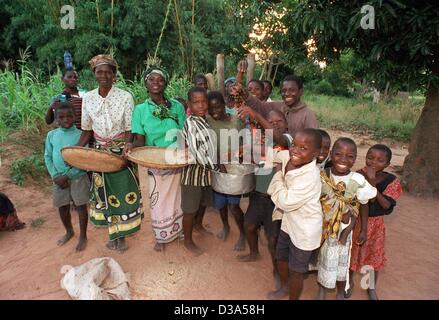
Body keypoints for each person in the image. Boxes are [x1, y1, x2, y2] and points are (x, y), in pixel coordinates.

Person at [76, 54, 142, 253]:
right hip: (98, 154)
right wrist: (77, 151)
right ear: (94, 74)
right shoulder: (87, 98)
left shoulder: (125, 97)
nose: (104, 75)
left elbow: (130, 128)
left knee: (122, 193)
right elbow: (87, 130)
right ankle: (113, 234)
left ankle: (121, 236)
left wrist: (127, 146)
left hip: (121, 151)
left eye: (108, 72)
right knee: (103, 194)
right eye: (99, 72)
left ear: (115, 75)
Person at [235, 108, 293, 292]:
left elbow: (278, 138)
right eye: (270, 121)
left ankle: (280, 275)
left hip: (276, 201)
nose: (275, 124)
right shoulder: (262, 143)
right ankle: (254, 253)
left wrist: (257, 115)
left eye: (278, 122)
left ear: (286, 125)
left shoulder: (289, 142)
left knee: (273, 239)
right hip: (258, 196)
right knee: (249, 226)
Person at [132, 66, 186, 252]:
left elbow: (184, 133)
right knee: (158, 201)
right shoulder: (140, 110)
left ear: (166, 83)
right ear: (146, 83)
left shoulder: (177, 106)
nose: (156, 83)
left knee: (178, 197)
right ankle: (161, 236)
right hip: (154, 161)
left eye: (160, 80)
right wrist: (130, 147)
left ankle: (178, 231)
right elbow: (139, 138)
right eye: (151, 80)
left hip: (176, 160)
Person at [316, 138, 377, 300]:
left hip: (345, 230)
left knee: (342, 262)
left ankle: (340, 292)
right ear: (331, 155)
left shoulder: (357, 179)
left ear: (355, 159)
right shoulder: (322, 176)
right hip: (324, 228)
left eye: (350, 156)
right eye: (338, 154)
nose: (343, 160)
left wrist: (363, 229)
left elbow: (364, 204)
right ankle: (322, 290)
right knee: (323, 259)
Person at [266, 128, 323, 300]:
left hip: (305, 229)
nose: (295, 150)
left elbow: (285, 202)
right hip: (288, 223)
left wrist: (277, 175)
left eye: (303, 148)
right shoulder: (290, 158)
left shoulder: (310, 177)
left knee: (296, 271)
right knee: (281, 258)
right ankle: (284, 287)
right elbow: (275, 154)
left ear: (316, 154)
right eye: (294, 145)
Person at [347, 144, 402, 300]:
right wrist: (367, 179)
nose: (373, 162)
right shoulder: (357, 175)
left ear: (387, 164)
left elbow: (386, 206)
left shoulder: (392, 180)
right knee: (351, 254)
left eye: (379, 160)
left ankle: (369, 287)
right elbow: (358, 201)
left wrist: (372, 183)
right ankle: (349, 283)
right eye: (370, 158)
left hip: (376, 225)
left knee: (372, 256)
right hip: (356, 222)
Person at [44, 102, 89, 251]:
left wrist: (68, 175)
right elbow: (48, 156)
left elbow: (84, 159)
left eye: (69, 116)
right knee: (62, 207)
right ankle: (69, 231)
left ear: (75, 117)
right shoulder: (52, 135)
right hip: (58, 179)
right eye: (61, 117)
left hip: (78, 177)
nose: (66, 119)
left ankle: (83, 236)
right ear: (56, 119)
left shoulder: (81, 135)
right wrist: (55, 175)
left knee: (81, 206)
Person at [230, 61, 318, 135]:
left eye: (292, 90)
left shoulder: (307, 115)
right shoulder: (277, 106)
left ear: (301, 92)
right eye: (284, 90)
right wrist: (240, 74)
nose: (287, 94)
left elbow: (314, 141)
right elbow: (254, 103)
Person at [206, 91, 246, 250]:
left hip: (234, 170)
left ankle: (242, 233)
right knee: (220, 204)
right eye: (211, 108)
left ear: (224, 105)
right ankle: (226, 227)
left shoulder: (236, 121)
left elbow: (245, 143)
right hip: (217, 168)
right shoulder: (207, 121)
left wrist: (236, 155)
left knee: (234, 206)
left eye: (218, 106)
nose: (214, 110)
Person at [181, 87, 218, 256]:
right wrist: (217, 167)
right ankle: (187, 240)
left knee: (203, 203)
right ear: (190, 105)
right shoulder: (191, 123)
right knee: (190, 209)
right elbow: (197, 152)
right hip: (192, 174)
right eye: (196, 102)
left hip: (205, 174)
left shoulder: (204, 120)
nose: (201, 105)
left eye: (204, 101)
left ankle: (198, 225)